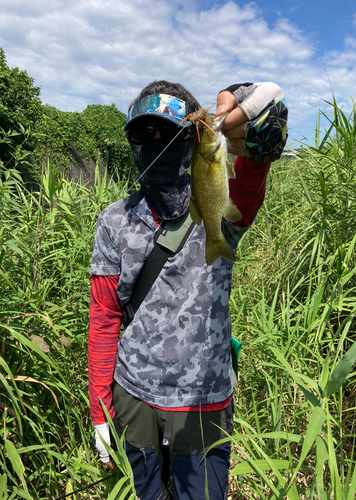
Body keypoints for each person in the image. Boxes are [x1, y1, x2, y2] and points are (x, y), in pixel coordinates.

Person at [88, 80, 288, 500]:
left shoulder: (223, 206)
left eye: (172, 132)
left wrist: (259, 131)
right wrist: (99, 412)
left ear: (194, 138)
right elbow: (104, 318)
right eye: (144, 132)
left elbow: (252, 171)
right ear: (132, 141)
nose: (156, 141)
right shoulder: (113, 220)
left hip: (203, 399)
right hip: (132, 396)